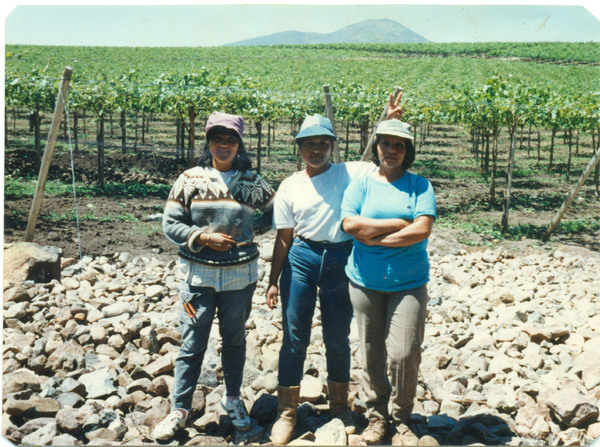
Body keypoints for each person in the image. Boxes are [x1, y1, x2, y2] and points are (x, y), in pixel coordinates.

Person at [153, 111, 275, 441]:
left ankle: (233, 400)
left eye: (230, 139)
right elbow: (171, 224)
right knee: (193, 342)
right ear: (208, 143)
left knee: (235, 340)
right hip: (197, 280)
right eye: (217, 139)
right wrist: (205, 238)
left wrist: (249, 231)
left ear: (239, 144)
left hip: (239, 279)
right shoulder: (191, 180)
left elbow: (274, 214)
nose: (223, 145)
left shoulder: (250, 182)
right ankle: (179, 408)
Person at [265, 114, 376, 445]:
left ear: (333, 146)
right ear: (299, 148)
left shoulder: (352, 172)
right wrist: (273, 279)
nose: (316, 150)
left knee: (337, 336)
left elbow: (385, 154)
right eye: (309, 144)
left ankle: (339, 407)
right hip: (302, 257)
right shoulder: (290, 185)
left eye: (322, 143)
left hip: (340, 258)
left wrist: (391, 119)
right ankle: (286, 410)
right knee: (294, 336)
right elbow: (284, 236)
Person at [340, 118, 436, 445]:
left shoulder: (420, 185)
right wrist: (398, 223)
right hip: (365, 281)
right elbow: (351, 224)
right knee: (370, 351)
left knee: (404, 353)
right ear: (376, 145)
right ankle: (378, 415)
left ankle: (403, 416)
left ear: (407, 151)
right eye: (386, 143)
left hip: (408, 283)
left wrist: (380, 238)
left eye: (399, 145)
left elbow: (422, 228)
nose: (391, 150)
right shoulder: (362, 184)